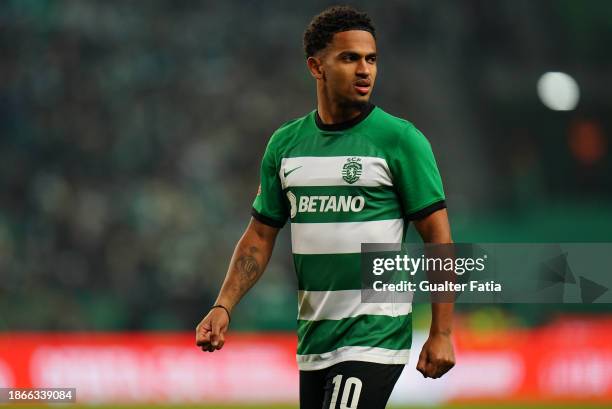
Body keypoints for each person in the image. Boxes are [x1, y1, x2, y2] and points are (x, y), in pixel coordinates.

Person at [196, 5, 455, 408]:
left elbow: (438, 238)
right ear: (316, 68)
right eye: (349, 58)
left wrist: (441, 332)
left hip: (374, 335)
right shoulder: (285, 145)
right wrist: (223, 304)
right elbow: (260, 236)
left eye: (371, 59)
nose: (365, 70)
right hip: (315, 340)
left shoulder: (400, 140)